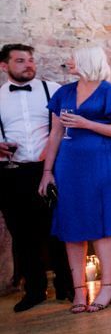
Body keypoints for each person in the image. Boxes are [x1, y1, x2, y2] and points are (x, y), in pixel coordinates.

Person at [39, 45, 111, 313]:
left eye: (73, 58)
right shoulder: (64, 92)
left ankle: (108, 287)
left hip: (101, 166)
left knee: (102, 227)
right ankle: (79, 292)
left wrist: (87, 124)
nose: (68, 61)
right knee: (71, 228)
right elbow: (55, 134)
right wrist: (47, 172)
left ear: (87, 61)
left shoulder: (110, 91)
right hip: (69, 168)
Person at [0, 44, 72, 312]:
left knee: (58, 228)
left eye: (31, 60)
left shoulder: (52, 90)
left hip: (49, 170)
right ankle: (34, 290)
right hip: (12, 173)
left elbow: (66, 126)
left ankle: (66, 285)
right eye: (21, 61)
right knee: (22, 234)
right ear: (4, 66)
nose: (29, 65)